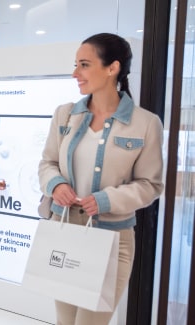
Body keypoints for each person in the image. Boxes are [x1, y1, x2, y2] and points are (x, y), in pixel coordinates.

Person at [38, 32, 164, 325]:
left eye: (84, 64)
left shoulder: (145, 124)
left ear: (112, 68)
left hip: (112, 240)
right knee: (65, 322)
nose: (75, 73)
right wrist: (56, 185)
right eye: (76, 64)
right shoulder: (65, 115)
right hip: (64, 230)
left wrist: (107, 199)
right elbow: (48, 163)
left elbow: (151, 184)